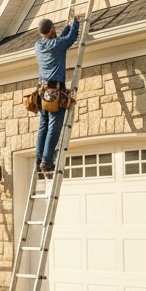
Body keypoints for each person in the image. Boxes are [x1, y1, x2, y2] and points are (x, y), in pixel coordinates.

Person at [34, 13, 83, 176]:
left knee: (43, 126)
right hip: (55, 94)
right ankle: (47, 161)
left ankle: (39, 159)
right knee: (53, 127)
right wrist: (75, 22)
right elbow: (70, 39)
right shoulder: (57, 44)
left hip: (42, 93)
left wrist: (68, 25)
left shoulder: (38, 45)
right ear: (52, 28)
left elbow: (60, 41)